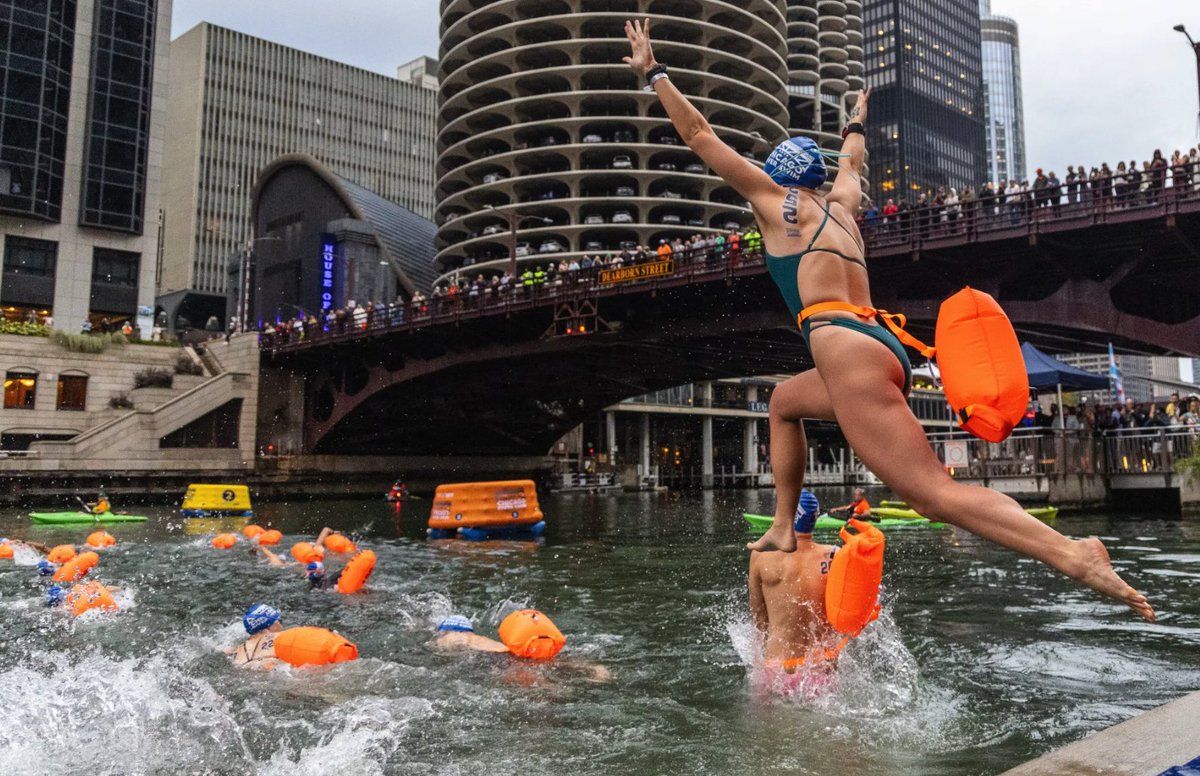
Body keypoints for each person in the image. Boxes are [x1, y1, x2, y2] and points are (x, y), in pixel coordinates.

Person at [622, 18, 1152, 621]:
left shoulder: (774, 203)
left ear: (777, 175)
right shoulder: (843, 207)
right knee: (785, 403)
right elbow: (852, 159)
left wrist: (654, 71)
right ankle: (782, 523)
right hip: (878, 345)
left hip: (845, 351)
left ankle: (1071, 554)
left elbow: (698, 133)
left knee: (932, 496)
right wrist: (855, 120)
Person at [749, 489, 841, 694]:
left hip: (778, 670)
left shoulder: (761, 555)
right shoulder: (835, 556)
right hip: (821, 669)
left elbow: (758, 619)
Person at [226, 603, 283, 669]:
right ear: (269, 626)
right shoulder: (280, 636)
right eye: (280, 620)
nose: (281, 625)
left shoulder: (235, 650)